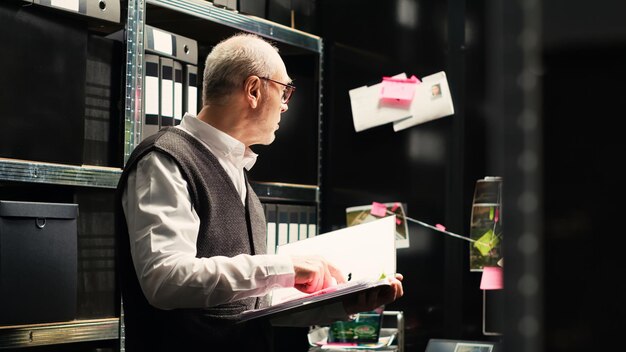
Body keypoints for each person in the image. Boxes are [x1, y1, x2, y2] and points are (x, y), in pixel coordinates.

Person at [115, 32, 403, 351]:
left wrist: (343, 304)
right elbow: (166, 280)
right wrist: (285, 269)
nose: (284, 106)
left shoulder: (238, 173)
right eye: (284, 92)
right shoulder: (164, 160)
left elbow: (251, 311)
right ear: (253, 90)